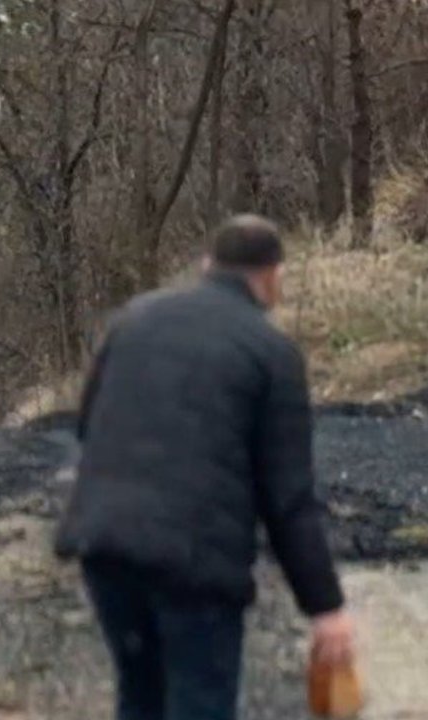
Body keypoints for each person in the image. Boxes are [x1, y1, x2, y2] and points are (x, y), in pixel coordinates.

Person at [54, 214, 355, 720]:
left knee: (140, 698)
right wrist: (325, 607)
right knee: (200, 704)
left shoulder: (134, 318)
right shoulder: (272, 354)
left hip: (105, 545)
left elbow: (87, 426)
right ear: (273, 276)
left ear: (207, 265)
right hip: (194, 562)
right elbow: (288, 498)